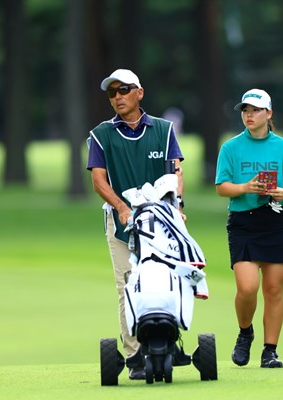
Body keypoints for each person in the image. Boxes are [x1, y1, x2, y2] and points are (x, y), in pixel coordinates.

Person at [86, 69, 185, 380]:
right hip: (121, 224)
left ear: (139, 93)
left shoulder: (164, 130)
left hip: (162, 223)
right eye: (112, 92)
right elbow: (98, 180)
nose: (118, 96)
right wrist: (121, 207)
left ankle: (168, 341)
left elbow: (176, 172)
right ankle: (134, 355)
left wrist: (178, 206)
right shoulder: (101, 134)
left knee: (169, 281)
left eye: (124, 90)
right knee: (128, 286)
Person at [214, 88, 283, 368]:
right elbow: (221, 187)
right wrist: (245, 187)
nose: (249, 115)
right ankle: (245, 333)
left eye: (255, 110)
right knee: (247, 287)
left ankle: (270, 351)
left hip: (275, 220)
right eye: (245, 110)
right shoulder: (230, 148)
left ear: (269, 113)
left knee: (274, 290)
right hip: (243, 222)